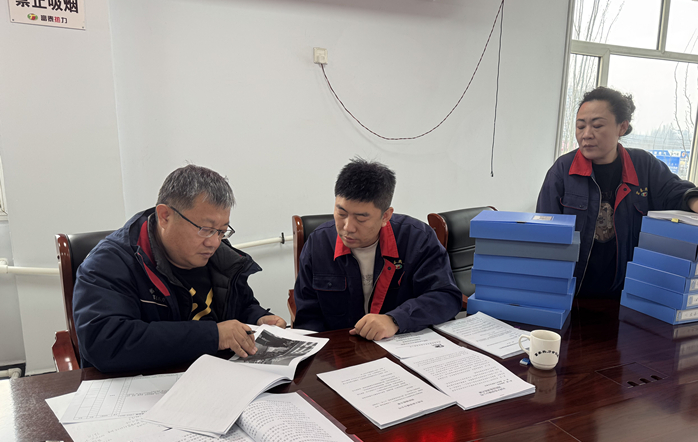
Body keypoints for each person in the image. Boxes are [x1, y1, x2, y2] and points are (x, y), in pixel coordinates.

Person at [73, 165, 286, 373]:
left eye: (221, 231)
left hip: (215, 376)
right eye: (205, 229)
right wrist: (213, 336)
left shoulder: (221, 258)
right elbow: (105, 342)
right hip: (144, 385)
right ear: (165, 216)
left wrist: (259, 318)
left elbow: (241, 305)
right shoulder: (109, 263)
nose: (214, 242)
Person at [537, 87, 698, 298]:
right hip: (572, 292)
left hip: (628, 292)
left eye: (597, 125)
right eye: (580, 126)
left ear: (622, 127)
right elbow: (544, 234)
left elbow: (678, 193)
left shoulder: (643, 166)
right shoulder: (563, 170)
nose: (586, 134)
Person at [293, 158, 462, 340]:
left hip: (400, 344)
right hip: (340, 349)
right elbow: (308, 318)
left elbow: (446, 297)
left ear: (385, 216)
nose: (348, 227)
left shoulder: (417, 239)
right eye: (341, 213)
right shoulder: (318, 244)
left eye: (361, 219)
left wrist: (395, 320)